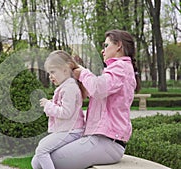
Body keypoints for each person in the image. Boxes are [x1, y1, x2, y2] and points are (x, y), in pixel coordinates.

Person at [49, 29, 141, 169]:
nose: (102, 50)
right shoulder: (116, 69)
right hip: (101, 140)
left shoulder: (120, 67)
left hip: (108, 142)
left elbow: (98, 89)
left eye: (106, 45)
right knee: (47, 153)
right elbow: (93, 91)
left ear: (119, 46)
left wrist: (83, 73)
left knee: (51, 158)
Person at [31, 50, 88, 169]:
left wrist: (48, 105)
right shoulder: (65, 86)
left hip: (71, 131)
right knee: (36, 160)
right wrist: (51, 103)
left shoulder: (70, 88)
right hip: (66, 130)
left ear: (65, 69)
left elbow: (66, 113)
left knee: (41, 150)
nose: (50, 76)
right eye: (49, 73)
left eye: (52, 72)